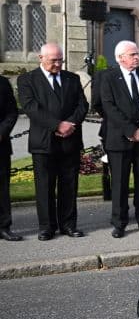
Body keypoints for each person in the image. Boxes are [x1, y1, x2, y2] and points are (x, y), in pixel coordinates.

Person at [17, 43, 88, 240]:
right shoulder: (27, 80)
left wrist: (70, 124)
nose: (57, 64)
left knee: (69, 185)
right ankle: (46, 226)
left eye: (60, 60)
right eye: (53, 60)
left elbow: (82, 105)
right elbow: (31, 107)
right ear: (41, 58)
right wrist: (57, 125)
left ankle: (68, 225)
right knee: (45, 186)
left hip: (70, 140)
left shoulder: (72, 79)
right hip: (44, 142)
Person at [101, 40, 139, 237]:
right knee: (119, 183)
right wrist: (131, 130)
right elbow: (109, 108)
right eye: (132, 54)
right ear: (120, 58)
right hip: (119, 138)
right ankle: (119, 223)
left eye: (137, 54)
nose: (137, 57)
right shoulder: (108, 77)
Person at [0, 76, 21, 241]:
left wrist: (2, 132)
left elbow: (12, 111)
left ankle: (4, 226)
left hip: (0, 144)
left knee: (2, 189)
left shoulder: (3, 82)